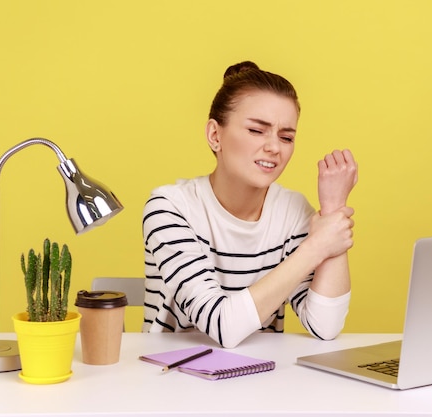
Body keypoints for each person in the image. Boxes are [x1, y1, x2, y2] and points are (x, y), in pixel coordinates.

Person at [142, 61, 358, 348]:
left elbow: (325, 326)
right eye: (257, 130)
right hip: (173, 377)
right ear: (215, 135)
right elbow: (222, 325)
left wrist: (332, 211)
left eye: (286, 137)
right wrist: (318, 246)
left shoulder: (292, 211)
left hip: (259, 376)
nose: (274, 147)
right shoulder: (170, 207)